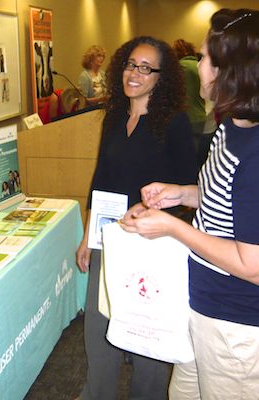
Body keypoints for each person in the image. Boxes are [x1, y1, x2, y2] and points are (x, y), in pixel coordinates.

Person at [120, 9, 259, 400]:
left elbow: (253, 266)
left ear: (230, 69)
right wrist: (179, 194)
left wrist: (173, 227)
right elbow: (221, 198)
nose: (197, 65)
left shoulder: (256, 154)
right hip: (201, 307)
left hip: (235, 328)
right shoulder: (230, 126)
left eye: (203, 57)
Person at [76, 36, 198, 400]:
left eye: (146, 68)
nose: (135, 73)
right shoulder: (114, 116)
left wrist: (153, 210)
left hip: (153, 244)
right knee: (98, 330)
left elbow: (190, 188)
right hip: (109, 237)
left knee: (148, 337)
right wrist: (87, 236)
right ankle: (97, 393)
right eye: (131, 64)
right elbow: (101, 179)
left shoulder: (174, 123)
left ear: (162, 77)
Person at [173, 38, 217, 167]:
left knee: (185, 159)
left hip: (186, 118)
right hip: (201, 116)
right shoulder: (199, 66)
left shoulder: (179, 69)